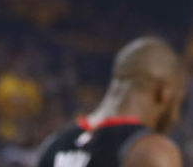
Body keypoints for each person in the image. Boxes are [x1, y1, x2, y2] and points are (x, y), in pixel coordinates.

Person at [36, 36, 185, 167]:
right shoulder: (152, 151)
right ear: (162, 92)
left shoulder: (53, 145)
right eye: (177, 102)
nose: (176, 117)